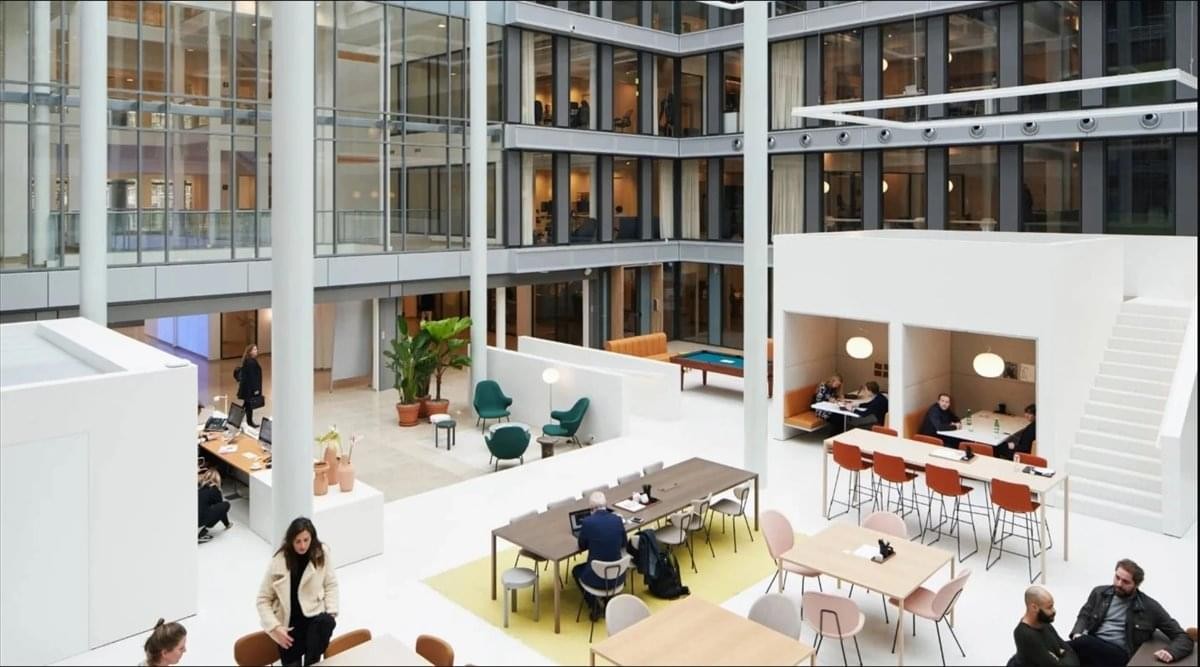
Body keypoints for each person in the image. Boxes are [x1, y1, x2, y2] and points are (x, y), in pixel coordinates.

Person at [1069, 558, 1192, 666]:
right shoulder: (1099, 593)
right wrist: (1077, 632)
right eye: (1117, 578)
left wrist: (1171, 652)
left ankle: (1058, 649)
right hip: (1092, 648)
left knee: (1082, 643)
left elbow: (1183, 637)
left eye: (1126, 582)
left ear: (1136, 585)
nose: (1119, 584)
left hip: (1118, 654)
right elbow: (1084, 615)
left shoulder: (1149, 607)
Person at [257, 517, 339, 666]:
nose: (302, 546)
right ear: (291, 541)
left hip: (314, 621)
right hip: (289, 627)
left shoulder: (321, 554)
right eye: (298, 541)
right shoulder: (279, 562)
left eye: (306, 540)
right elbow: (262, 600)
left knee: (323, 628)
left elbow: (331, 584)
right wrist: (275, 627)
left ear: (312, 538)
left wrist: (331, 612)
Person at [572, 491, 628, 622]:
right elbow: (624, 543)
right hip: (618, 577)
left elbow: (582, 545)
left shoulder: (587, 523)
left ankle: (594, 605)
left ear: (591, 509)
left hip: (596, 578)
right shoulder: (617, 520)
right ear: (606, 505)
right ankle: (608, 600)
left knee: (576, 570)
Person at [1012, 586, 1079, 666]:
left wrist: (1060, 657)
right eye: (1049, 607)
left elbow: (1070, 653)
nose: (1054, 611)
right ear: (1034, 607)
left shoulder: (1045, 624)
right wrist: (1061, 654)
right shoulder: (1025, 634)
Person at [197, 469, 231, 542]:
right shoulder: (215, 490)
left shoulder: (200, 488)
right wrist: (227, 524)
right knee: (226, 505)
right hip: (199, 520)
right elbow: (221, 511)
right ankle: (202, 533)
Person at [236, 344, 264, 428]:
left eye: (256, 349)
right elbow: (252, 377)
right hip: (250, 389)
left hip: (246, 388)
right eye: (254, 349)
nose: (256, 351)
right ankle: (248, 422)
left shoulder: (247, 360)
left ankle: (241, 420)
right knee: (248, 406)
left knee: (247, 405)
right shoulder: (251, 362)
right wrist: (256, 389)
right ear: (250, 351)